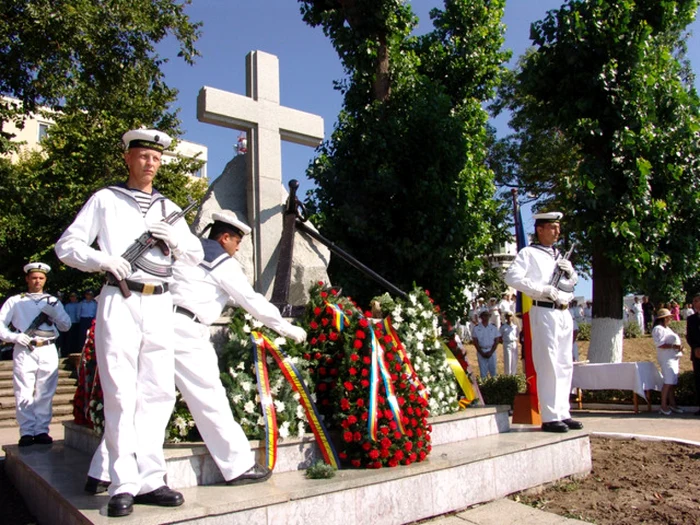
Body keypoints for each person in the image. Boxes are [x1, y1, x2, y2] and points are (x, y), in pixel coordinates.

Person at [85, 211, 307, 492]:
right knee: (208, 395)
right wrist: (286, 329)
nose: (237, 248)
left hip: (156, 319)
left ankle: (102, 473)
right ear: (224, 238)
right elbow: (251, 301)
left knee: (138, 400)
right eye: (236, 242)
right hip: (185, 330)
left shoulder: (181, 251)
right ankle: (238, 465)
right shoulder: (220, 261)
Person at [55, 128, 204, 518]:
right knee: (121, 392)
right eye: (142, 156)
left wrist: (175, 238)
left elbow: (193, 256)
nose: (149, 164)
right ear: (127, 158)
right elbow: (67, 246)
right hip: (119, 298)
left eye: (155, 159)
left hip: (160, 301)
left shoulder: (168, 207)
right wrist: (103, 261)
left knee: (158, 393)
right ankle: (122, 483)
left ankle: (151, 479)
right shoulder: (106, 199)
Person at [504, 211, 583, 433]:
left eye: (558, 227)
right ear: (540, 229)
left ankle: (563, 412)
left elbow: (569, 285)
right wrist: (541, 290)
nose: (557, 231)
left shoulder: (559, 255)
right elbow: (512, 277)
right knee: (547, 364)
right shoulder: (529, 253)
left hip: (564, 311)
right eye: (552, 227)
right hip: (544, 310)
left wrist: (572, 274)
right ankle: (549, 416)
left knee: (565, 364)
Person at [0, 263, 71, 446]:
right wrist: (14, 337)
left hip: (48, 348)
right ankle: (26, 432)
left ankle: (41, 430)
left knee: (45, 392)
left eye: (41, 278)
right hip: (25, 349)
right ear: (27, 279)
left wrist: (54, 313)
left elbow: (66, 325)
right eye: (34, 278)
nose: (37, 281)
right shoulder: (16, 301)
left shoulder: (53, 301)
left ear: (45, 280)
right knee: (23, 390)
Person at [651, 308, 684, 415]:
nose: (671, 319)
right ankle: (663, 405)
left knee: (672, 382)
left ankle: (672, 404)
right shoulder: (658, 329)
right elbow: (660, 344)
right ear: (664, 318)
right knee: (668, 381)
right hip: (666, 359)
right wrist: (673, 346)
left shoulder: (668, 329)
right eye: (669, 317)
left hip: (673, 357)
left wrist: (678, 347)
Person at [471, 310, 499, 379]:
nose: (486, 317)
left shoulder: (493, 327)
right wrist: (481, 352)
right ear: (481, 317)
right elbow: (475, 341)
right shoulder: (476, 328)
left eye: (487, 315)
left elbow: (496, 340)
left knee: (493, 371)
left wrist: (491, 352)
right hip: (481, 350)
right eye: (484, 315)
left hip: (491, 350)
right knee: (483, 373)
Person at [684, 294, 700, 416]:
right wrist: (695, 347)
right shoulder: (691, 319)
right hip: (697, 354)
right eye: (694, 301)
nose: (695, 303)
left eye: (697, 301)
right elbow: (689, 336)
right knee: (698, 380)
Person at [61, 291, 82, 356]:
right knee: (69, 338)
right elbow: (65, 314)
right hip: (70, 323)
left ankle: (76, 350)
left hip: (77, 323)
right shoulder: (67, 305)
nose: (73, 298)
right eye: (71, 297)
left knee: (77, 338)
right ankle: (68, 351)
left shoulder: (79, 304)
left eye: (74, 297)